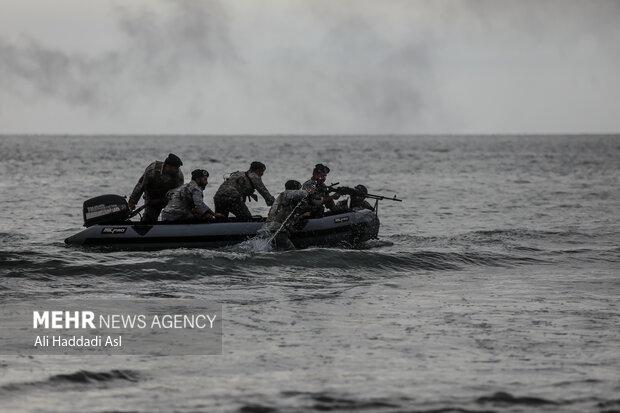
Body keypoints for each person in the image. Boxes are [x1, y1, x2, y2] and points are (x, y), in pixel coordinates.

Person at [257, 180, 312, 250]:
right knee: (292, 252)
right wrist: (308, 192)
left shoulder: (280, 200)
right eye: (298, 189)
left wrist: (302, 216)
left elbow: (289, 219)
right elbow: (299, 194)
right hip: (277, 231)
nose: (299, 190)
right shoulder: (287, 194)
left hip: (267, 230)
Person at [128, 153, 184, 222]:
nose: (177, 170)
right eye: (175, 168)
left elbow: (179, 194)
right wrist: (132, 201)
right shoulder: (152, 170)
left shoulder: (179, 176)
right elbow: (141, 185)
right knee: (149, 219)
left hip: (169, 199)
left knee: (175, 215)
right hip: (151, 198)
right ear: (167, 166)